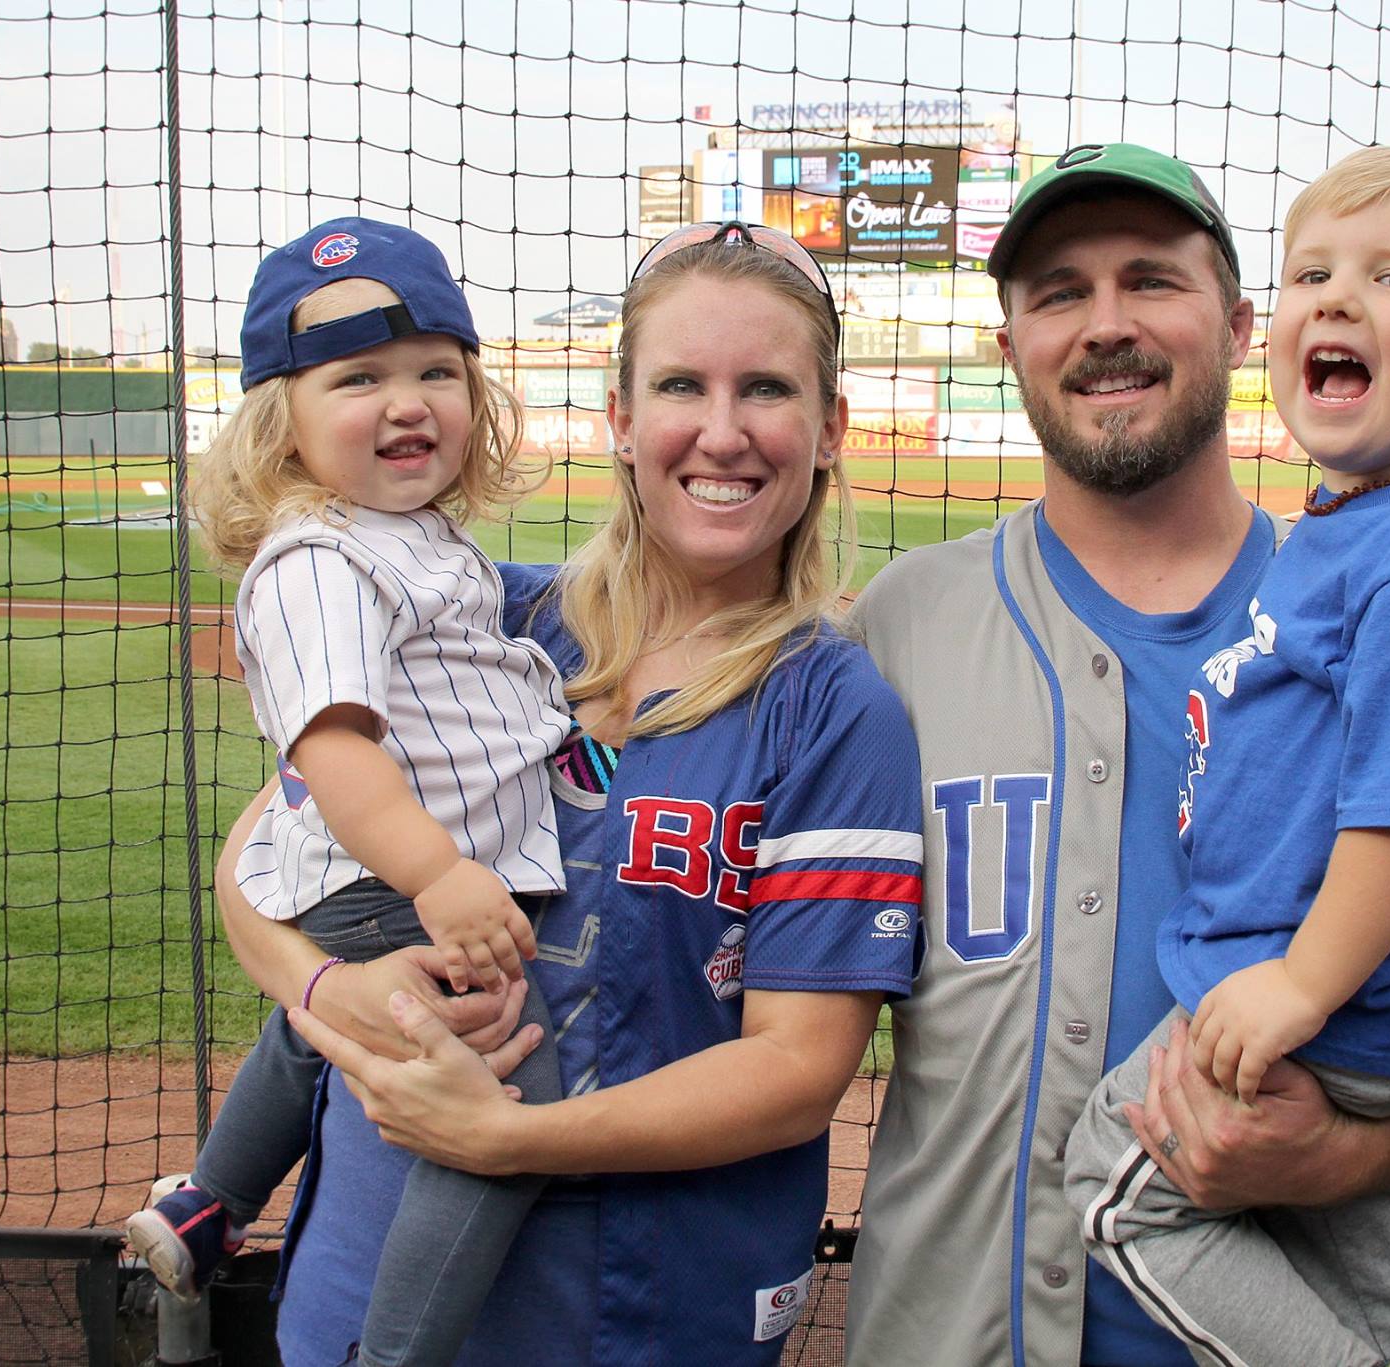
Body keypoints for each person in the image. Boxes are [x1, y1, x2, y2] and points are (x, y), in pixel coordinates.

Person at [844, 143, 1390, 1367]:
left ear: (1242, 325)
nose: (1104, 324)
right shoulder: (897, 625)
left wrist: (1349, 1157)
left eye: (1151, 279)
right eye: (1055, 292)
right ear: (1009, 347)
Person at [222, 221, 924, 1367]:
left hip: (637, 1311)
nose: (722, 430)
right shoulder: (479, 616)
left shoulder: (835, 711)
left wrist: (510, 1136)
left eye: (766, 389)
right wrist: (324, 986)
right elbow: (258, 862)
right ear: (619, 418)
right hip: (362, 1273)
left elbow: (795, 1072)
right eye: (680, 385)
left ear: (830, 428)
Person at [1061, 146, 1390, 1367]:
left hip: (1333, 1001)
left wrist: (1303, 984)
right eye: (1314, 272)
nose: (1335, 299)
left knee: (1116, 1184)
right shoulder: (1356, 527)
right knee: (1361, 1227)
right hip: (1351, 1005)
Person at [126, 216, 576, 1367]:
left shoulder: (417, 540)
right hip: (398, 882)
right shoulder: (320, 554)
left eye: (436, 369)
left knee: (313, 1026)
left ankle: (209, 1200)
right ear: (283, 421)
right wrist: (441, 874)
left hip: (375, 887)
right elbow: (333, 752)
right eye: (358, 377)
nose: (407, 399)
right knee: (507, 1103)